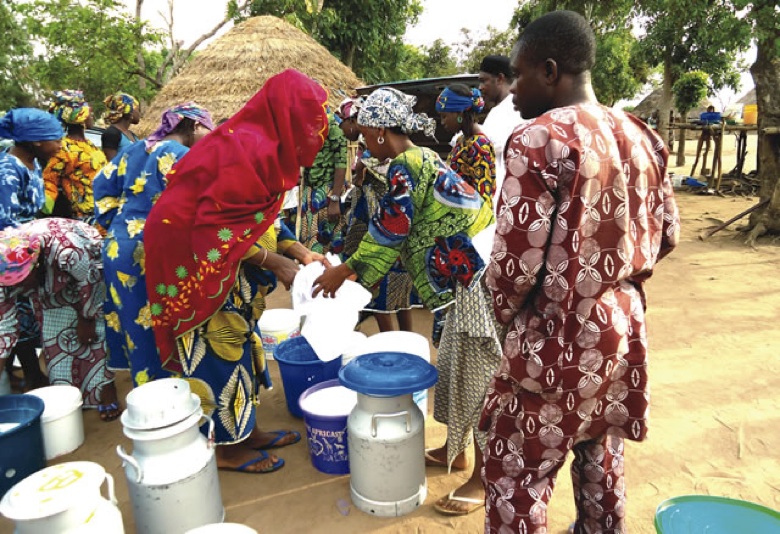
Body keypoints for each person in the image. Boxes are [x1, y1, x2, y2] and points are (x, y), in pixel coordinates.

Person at [480, 11, 681, 533]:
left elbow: (513, 268)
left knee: (514, 475)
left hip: (557, 336)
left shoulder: (537, 139)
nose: (512, 94)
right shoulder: (642, 135)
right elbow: (668, 235)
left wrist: (504, 321)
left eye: (519, 77)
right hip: (622, 332)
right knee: (600, 455)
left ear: (550, 71)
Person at [311, 87, 498, 516]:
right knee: (455, 369)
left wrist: (346, 270)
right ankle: (462, 453)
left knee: (478, 377)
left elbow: (391, 229)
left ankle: (483, 479)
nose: (360, 137)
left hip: (468, 282)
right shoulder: (425, 157)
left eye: (362, 130)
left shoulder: (406, 166)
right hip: (459, 279)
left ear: (378, 131)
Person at [144, 69, 329, 474]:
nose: (316, 132)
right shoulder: (248, 147)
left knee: (241, 339)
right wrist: (274, 262)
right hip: (191, 259)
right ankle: (226, 448)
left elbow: (254, 218)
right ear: (287, 113)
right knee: (216, 345)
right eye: (310, 119)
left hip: (223, 257)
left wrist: (297, 249)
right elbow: (212, 228)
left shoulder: (267, 148)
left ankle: (246, 429)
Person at [93, 102, 215, 388]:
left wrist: (120, 223)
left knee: (137, 325)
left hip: (117, 246)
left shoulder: (134, 150)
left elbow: (101, 185)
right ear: (195, 125)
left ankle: (148, 390)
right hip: (154, 248)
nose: (211, 137)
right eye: (209, 130)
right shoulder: (182, 156)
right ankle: (173, 394)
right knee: (163, 322)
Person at [0, 218, 121, 420]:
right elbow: (4, 325)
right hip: (47, 281)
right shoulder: (4, 272)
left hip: (88, 263)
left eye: (21, 281)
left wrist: (87, 318)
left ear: (36, 265)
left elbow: (89, 281)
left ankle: (106, 388)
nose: (16, 288)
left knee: (92, 334)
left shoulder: (66, 250)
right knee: (55, 338)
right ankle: (72, 395)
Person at [336, 97, 418, 333]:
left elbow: (380, 238)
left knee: (379, 281)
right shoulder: (408, 162)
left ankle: (392, 344)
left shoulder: (395, 168)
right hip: (390, 233)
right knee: (398, 285)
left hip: (378, 223)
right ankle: (403, 341)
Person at [0, 108, 63, 391]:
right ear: (37, 141)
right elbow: (6, 224)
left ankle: (29, 376)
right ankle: (28, 379)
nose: (59, 146)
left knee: (26, 319)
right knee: (14, 320)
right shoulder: (8, 171)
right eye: (55, 139)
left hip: (26, 253)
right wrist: (23, 268)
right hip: (10, 258)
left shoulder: (34, 165)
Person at [42, 90, 108, 223]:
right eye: (89, 112)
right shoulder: (64, 149)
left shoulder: (89, 144)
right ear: (80, 116)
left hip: (105, 211)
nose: (91, 115)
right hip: (87, 218)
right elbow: (49, 180)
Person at [298, 105, 348, 255]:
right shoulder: (306, 124)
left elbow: (341, 163)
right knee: (308, 240)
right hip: (310, 192)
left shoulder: (333, 125)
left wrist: (334, 199)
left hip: (328, 192)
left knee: (330, 242)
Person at [478, 55, 525, 207]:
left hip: (507, 197)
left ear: (499, 79)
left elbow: (491, 145)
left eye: (483, 80)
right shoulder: (498, 110)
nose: (480, 88)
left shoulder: (512, 108)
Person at [101, 92, 141, 161]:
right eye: (138, 110)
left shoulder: (132, 135)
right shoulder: (111, 134)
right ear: (130, 112)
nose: (139, 113)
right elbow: (112, 165)